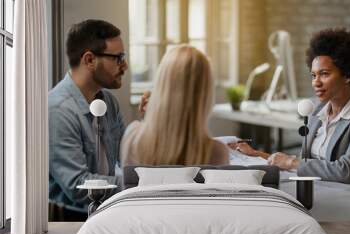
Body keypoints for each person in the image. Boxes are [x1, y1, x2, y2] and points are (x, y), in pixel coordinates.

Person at [232, 28, 350, 183]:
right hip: (314, 191)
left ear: (347, 75)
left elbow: (347, 170)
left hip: (346, 198)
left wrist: (291, 162)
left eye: (324, 74)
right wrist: (257, 154)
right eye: (313, 75)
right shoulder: (317, 110)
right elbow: (304, 163)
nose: (316, 83)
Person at [49, 19, 127, 220]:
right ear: (90, 59)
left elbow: (127, 158)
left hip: (107, 212)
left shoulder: (108, 101)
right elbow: (78, 185)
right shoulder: (59, 110)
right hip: (71, 221)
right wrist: (135, 184)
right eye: (118, 58)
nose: (124, 65)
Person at [120, 45, 229, 166]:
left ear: (161, 85)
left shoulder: (132, 138)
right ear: (205, 94)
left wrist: (150, 120)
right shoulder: (216, 152)